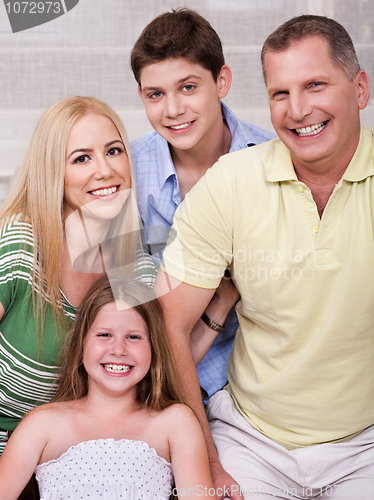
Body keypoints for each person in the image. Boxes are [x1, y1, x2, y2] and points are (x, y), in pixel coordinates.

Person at [156, 14, 374, 500]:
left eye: (315, 85)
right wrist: (208, 461)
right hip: (250, 440)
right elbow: (168, 323)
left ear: (359, 88)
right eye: (280, 93)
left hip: (366, 444)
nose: (297, 109)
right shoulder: (230, 181)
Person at [0, 96, 156, 497]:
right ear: (54, 171)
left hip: (66, 462)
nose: (105, 170)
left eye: (113, 151)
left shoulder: (134, 265)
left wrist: (220, 307)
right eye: (81, 158)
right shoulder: (22, 245)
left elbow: (165, 359)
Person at [130, 8, 275, 401]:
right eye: (155, 94)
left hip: (258, 380)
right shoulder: (125, 170)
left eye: (188, 87)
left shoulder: (274, 159)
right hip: (162, 380)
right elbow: (133, 308)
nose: (173, 109)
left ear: (221, 81)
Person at [0, 276, 216, 500]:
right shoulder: (41, 424)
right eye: (104, 335)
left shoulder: (176, 422)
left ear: (153, 348)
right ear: (81, 346)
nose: (118, 349)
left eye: (133, 336)